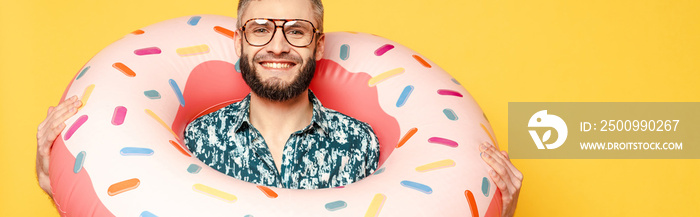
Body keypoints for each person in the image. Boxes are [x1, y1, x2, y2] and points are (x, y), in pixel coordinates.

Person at [35, 0, 522, 215]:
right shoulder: (196, 140)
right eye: (261, 28)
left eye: (296, 29)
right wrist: (53, 167)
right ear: (240, 40)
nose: (278, 45)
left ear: (318, 43)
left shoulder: (360, 146)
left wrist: (498, 205)